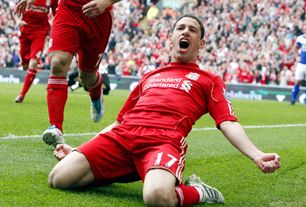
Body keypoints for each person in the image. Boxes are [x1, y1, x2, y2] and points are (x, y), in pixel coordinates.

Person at [48, 14, 281, 206]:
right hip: (123, 137)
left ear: (200, 44)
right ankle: (129, 168)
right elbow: (120, 123)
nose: (185, 32)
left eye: (192, 29)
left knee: (156, 198)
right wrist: (81, 149)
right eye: (180, 28)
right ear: (171, 38)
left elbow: (228, 122)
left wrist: (257, 154)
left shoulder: (209, 80)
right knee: (58, 178)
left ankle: (199, 191)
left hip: (162, 142)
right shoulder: (150, 76)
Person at [15, 0, 122, 146]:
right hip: (68, 10)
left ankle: (96, 93)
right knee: (58, 63)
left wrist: (106, 2)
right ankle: (56, 127)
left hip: (98, 14)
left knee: (87, 75)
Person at [14, 0, 58, 103]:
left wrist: (55, 25)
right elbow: (15, 10)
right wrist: (17, 21)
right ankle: (29, 71)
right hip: (25, 31)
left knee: (33, 63)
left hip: (39, 34)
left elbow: (56, 13)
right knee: (25, 65)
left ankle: (21, 95)